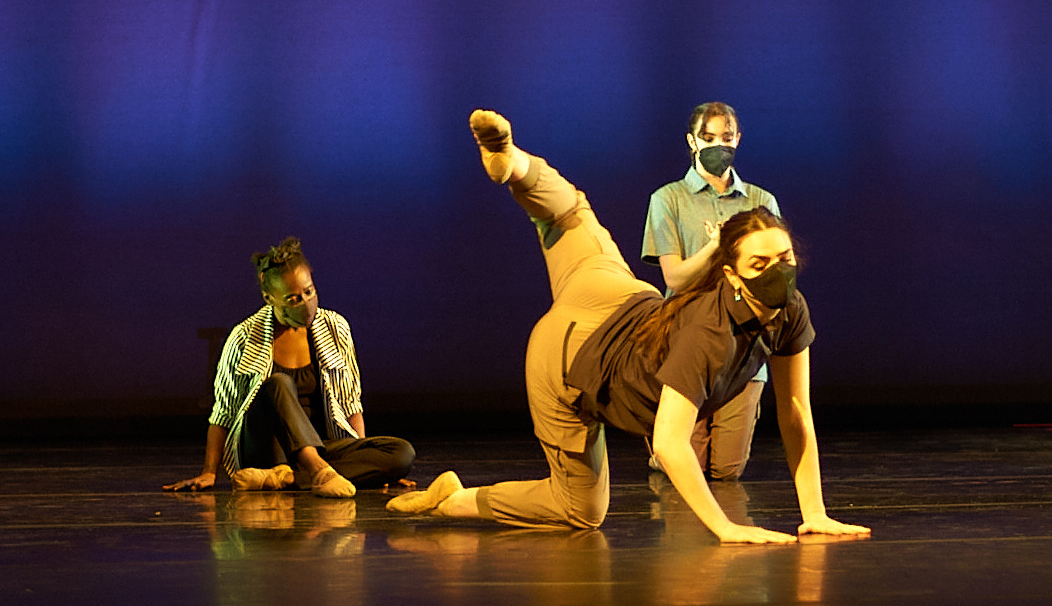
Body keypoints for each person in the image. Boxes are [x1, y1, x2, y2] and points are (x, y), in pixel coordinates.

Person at [385, 109, 870, 544]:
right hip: (568, 358)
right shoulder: (709, 331)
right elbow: (668, 444)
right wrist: (724, 527)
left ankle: (518, 167)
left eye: (784, 258)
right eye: (759, 263)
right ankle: (511, 162)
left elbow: (795, 412)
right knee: (579, 512)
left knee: (573, 216)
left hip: (619, 295)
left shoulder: (790, 309)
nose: (777, 271)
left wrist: (815, 513)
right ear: (730, 274)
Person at [164, 237, 416, 497]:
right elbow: (223, 414)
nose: (305, 303)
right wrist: (209, 472)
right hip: (267, 448)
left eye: (309, 292)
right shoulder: (244, 336)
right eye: (293, 299)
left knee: (401, 453)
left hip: (322, 445)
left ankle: (287, 479)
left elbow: (351, 404)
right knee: (279, 383)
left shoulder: (335, 327)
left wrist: (369, 464)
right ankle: (316, 472)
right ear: (269, 298)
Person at [641, 102, 780, 480]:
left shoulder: (760, 201)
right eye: (708, 138)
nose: (719, 145)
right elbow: (674, 278)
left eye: (726, 137)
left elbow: (774, 275)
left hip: (743, 343)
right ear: (692, 141)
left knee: (726, 470)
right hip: (687, 338)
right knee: (689, 466)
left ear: (738, 139)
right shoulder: (667, 199)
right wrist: (715, 246)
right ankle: (660, 443)